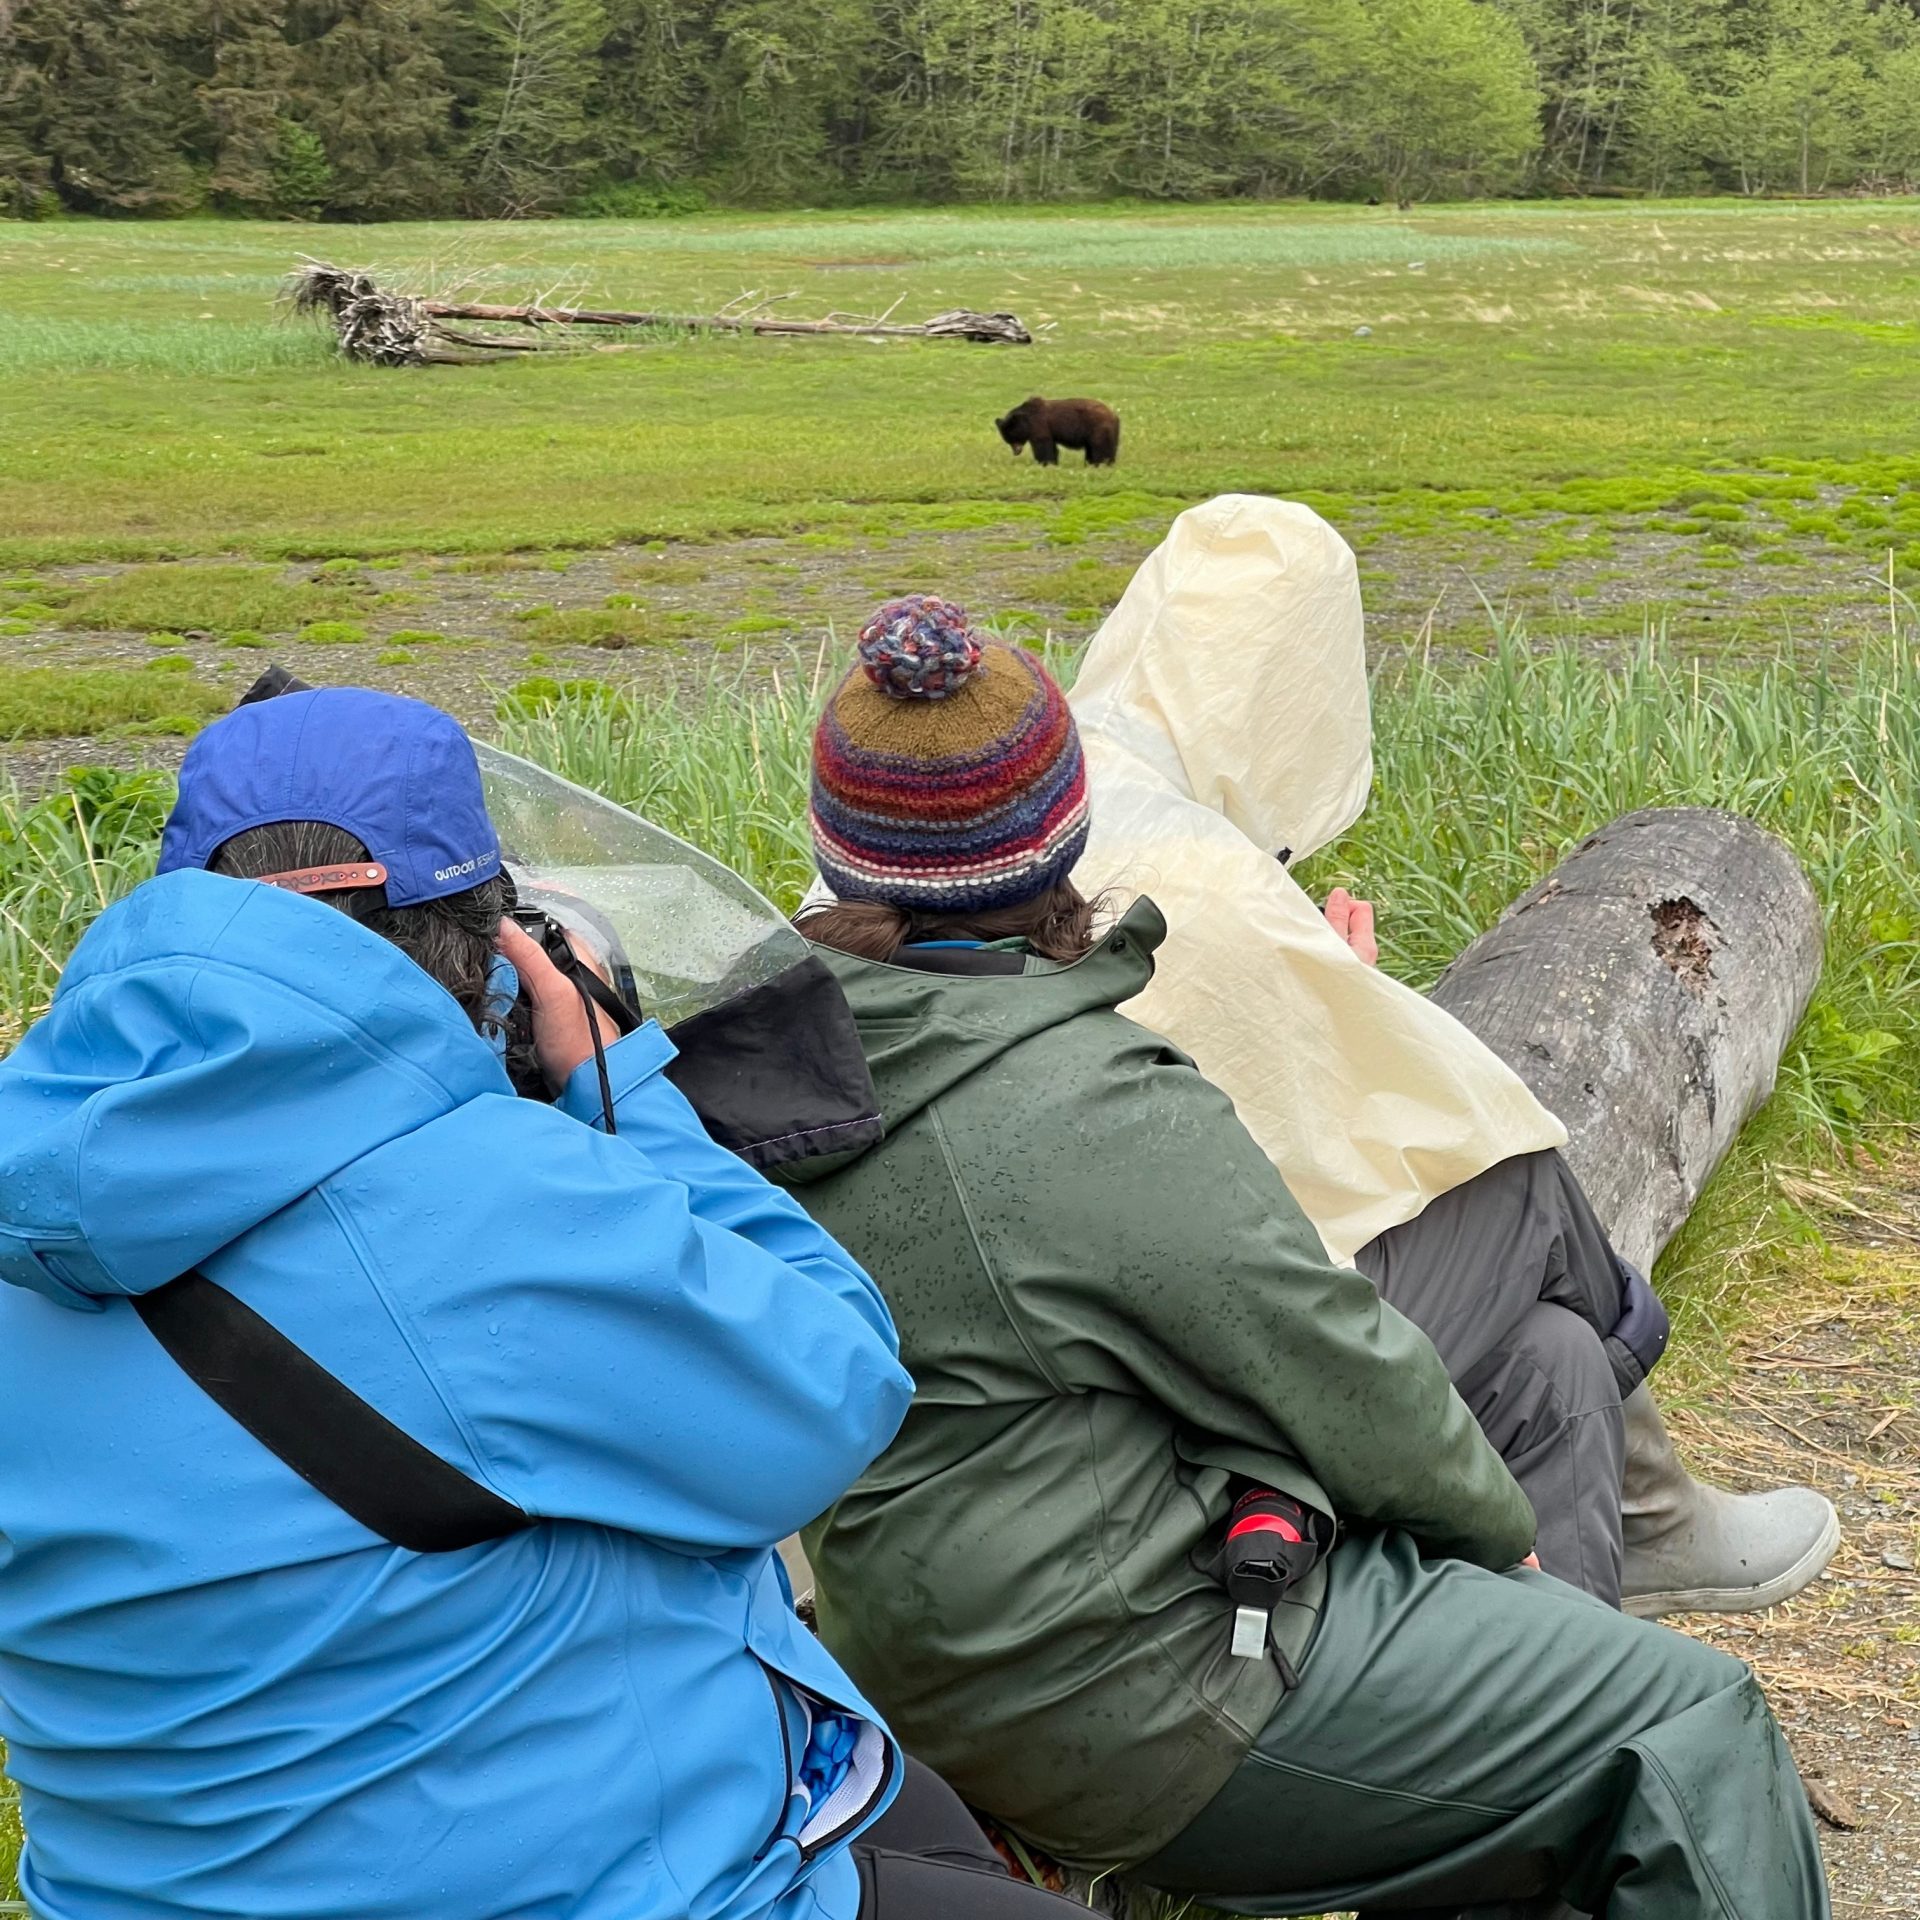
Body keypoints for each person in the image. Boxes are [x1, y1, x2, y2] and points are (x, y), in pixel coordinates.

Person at [787, 606, 1830, 1917]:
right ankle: (1622, 1571)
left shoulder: (791, 1042)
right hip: (1124, 1681)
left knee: (1554, 1371)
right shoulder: (1073, 1097)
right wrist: (1504, 1557)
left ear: (841, 854)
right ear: (1063, 837)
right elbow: (1323, 1353)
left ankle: (1577, 1630)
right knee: (1691, 1724)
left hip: (968, 1614)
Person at [0, 686, 1084, 1920]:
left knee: (918, 1812)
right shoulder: (500, 1202)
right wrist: (626, 1093)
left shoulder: (22, 1195)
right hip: (580, 1890)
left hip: (128, 1892)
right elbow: (837, 1382)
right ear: (491, 948)